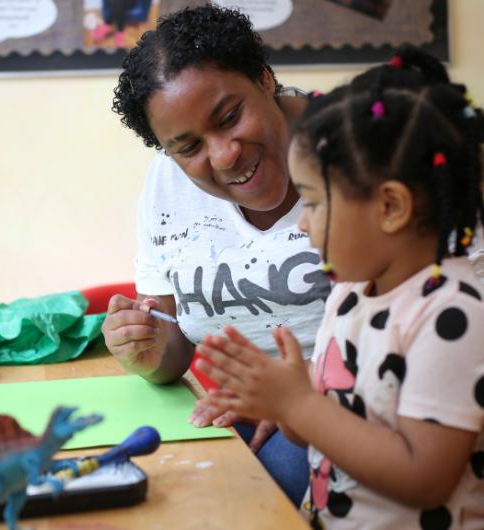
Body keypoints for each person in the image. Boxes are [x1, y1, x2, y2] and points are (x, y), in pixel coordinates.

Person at [195, 45, 484, 529]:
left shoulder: (453, 317)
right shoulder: (350, 296)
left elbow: (424, 477)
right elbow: (325, 435)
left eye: (311, 203)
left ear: (391, 207)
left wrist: (297, 403)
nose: (301, 225)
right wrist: (277, 401)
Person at [101, 5, 331, 507]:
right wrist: (146, 347)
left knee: (236, 496)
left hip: (363, 404)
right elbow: (175, 347)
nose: (224, 155)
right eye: (188, 147)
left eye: (229, 117)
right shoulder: (166, 183)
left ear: (265, 78)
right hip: (241, 411)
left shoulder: (362, 150)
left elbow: (451, 326)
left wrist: (306, 389)